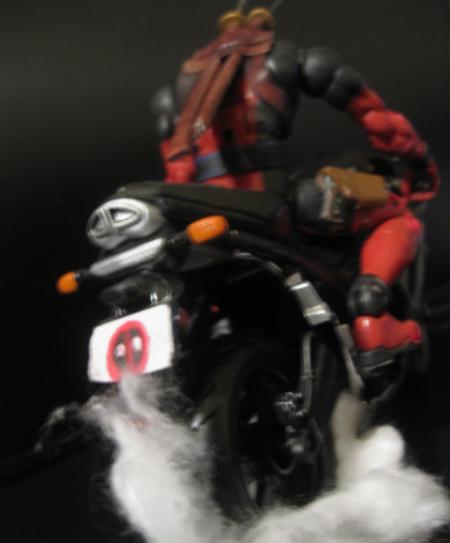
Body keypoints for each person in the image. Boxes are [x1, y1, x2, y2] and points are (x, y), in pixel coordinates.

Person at [151, 2, 440, 370]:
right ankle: (371, 314)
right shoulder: (281, 59)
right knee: (396, 207)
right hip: (274, 204)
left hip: (206, 211)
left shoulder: (176, 88)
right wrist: (417, 157)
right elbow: (376, 118)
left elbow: (176, 172)